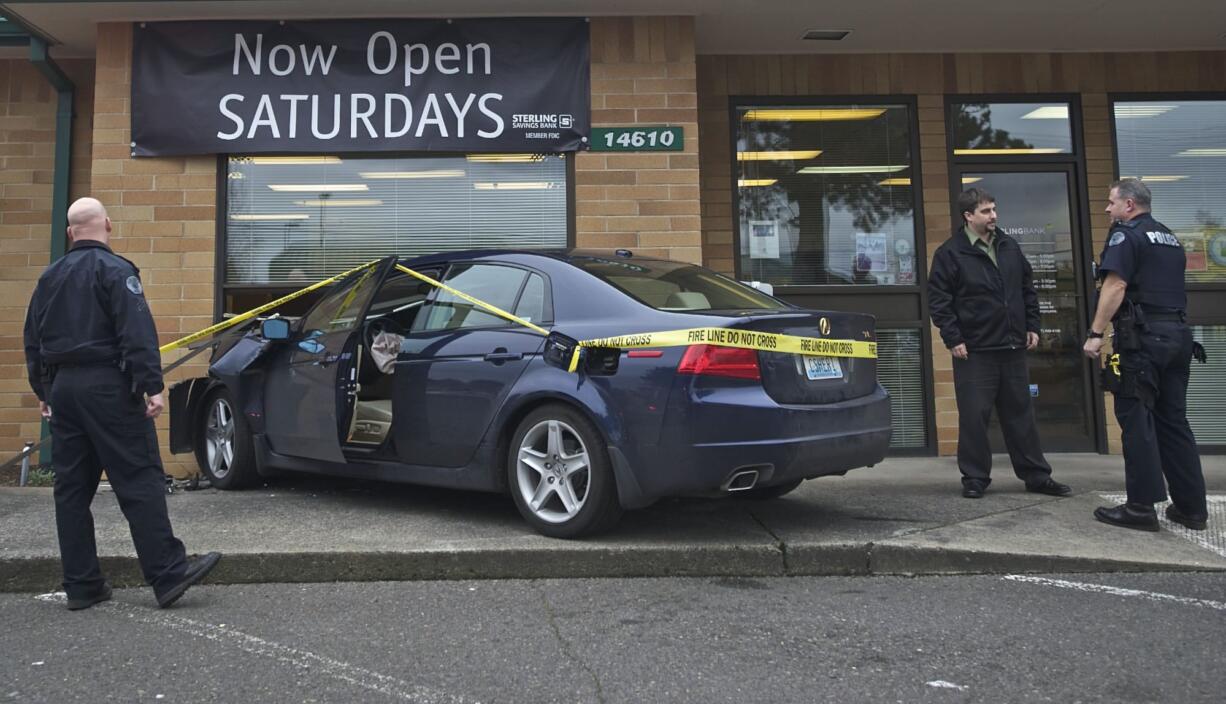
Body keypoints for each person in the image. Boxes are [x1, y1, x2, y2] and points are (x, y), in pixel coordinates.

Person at [23, 197, 221, 610]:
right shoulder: (116, 271)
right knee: (138, 478)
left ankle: (82, 586)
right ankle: (168, 574)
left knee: (71, 490)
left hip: (64, 389)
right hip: (108, 387)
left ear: (69, 233)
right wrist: (151, 385)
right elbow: (136, 332)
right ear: (108, 225)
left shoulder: (49, 278)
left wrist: (44, 392)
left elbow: (33, 340)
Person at [928, 188, 1071, 499]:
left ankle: (1036, 476)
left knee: (1021, 415)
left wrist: (1032, 325)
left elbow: (1026, 288)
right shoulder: (951, 253)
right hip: (975, 351)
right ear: (968, 216)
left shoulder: (1008, 246)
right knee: (974, 417)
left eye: (994, 209)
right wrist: (953, 338)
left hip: (1012, 347)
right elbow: (939, 302)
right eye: (986, 211)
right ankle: (975, 478)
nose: (994, 215)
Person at [1083, 179, 1208, 532]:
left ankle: (1140, 507)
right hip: (1177, 337)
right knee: (1174, 422)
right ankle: (1191, 508)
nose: (1107, 209)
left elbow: (1116, 285)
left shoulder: (1126, 235)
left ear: (1129, 205)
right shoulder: (1169, 237)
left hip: (1143, 342)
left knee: (1136, 419)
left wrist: (1095, 334)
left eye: (1111, 203)